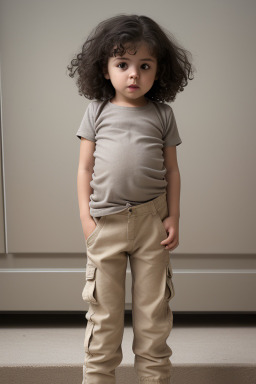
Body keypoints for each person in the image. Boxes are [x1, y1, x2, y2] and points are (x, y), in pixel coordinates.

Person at [68, 14, 194, 384]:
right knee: (103, 318)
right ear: (105, 69)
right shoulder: (97, 111)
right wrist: (86, 220)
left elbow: (172, 171)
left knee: (153, 317)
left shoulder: (162, 114)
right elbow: (83, 169)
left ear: (159, 70)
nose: (133, 74)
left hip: (151, 226)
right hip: (104, 225)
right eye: (123, 64)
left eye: (144, 65)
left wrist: (173, 217)